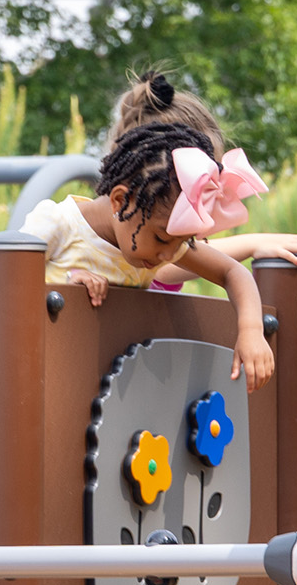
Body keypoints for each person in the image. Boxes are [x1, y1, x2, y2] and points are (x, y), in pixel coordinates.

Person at [22, 120, 279, 389]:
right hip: (40, 386)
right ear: (121, 201)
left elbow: (233, 272)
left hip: (101, 391)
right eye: (161, 239)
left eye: (183, 242)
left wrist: (251, 331)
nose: (169, 255)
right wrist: (63, 288)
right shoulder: (59, 224)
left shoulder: (160, 240)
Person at [110, 71, 297, 282]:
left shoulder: (165, 239)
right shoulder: (129, 237)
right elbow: (163, 269)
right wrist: (252, 243)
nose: (172, 250)